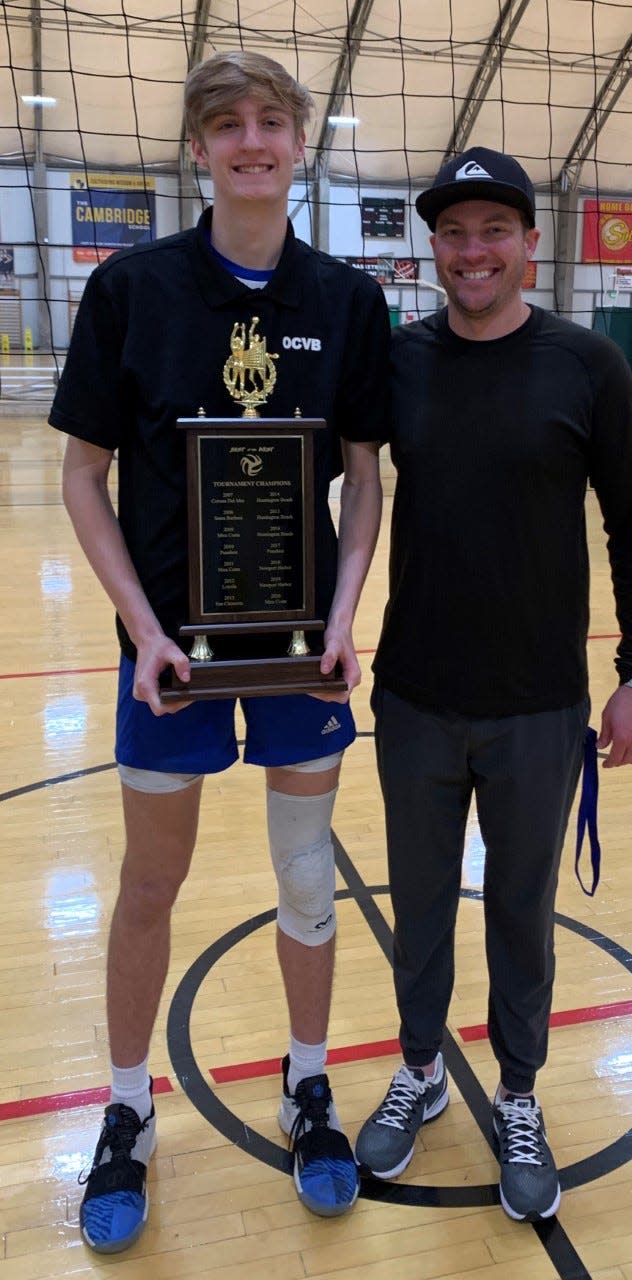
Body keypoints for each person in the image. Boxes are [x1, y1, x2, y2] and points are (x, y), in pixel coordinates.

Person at [50, 50, 389, 1251]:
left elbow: (362, 473)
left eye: (271, 122)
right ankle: (128, 1107)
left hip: (300, 653)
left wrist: (345, 614)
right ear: (198, 148)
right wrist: (143, 630)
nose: (252, 141)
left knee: (307, 875)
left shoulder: (346, 301)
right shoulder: (133, 288)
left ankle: (309, 1084)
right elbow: (84, 475)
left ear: (300, 143)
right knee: (151, 881)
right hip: (172, 662)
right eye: (227, 124)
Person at [354, 146, 632, 1222]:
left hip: (541, 703)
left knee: (522, 915)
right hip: (415, 699)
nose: (473, 250)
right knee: (423, 907)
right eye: (454, 231)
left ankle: (520, 1091)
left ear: (530, 243)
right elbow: (336, 485)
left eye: (495, 230)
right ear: (431, 247)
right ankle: (421, 1065)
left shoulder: (587, 364)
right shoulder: (397, 362)